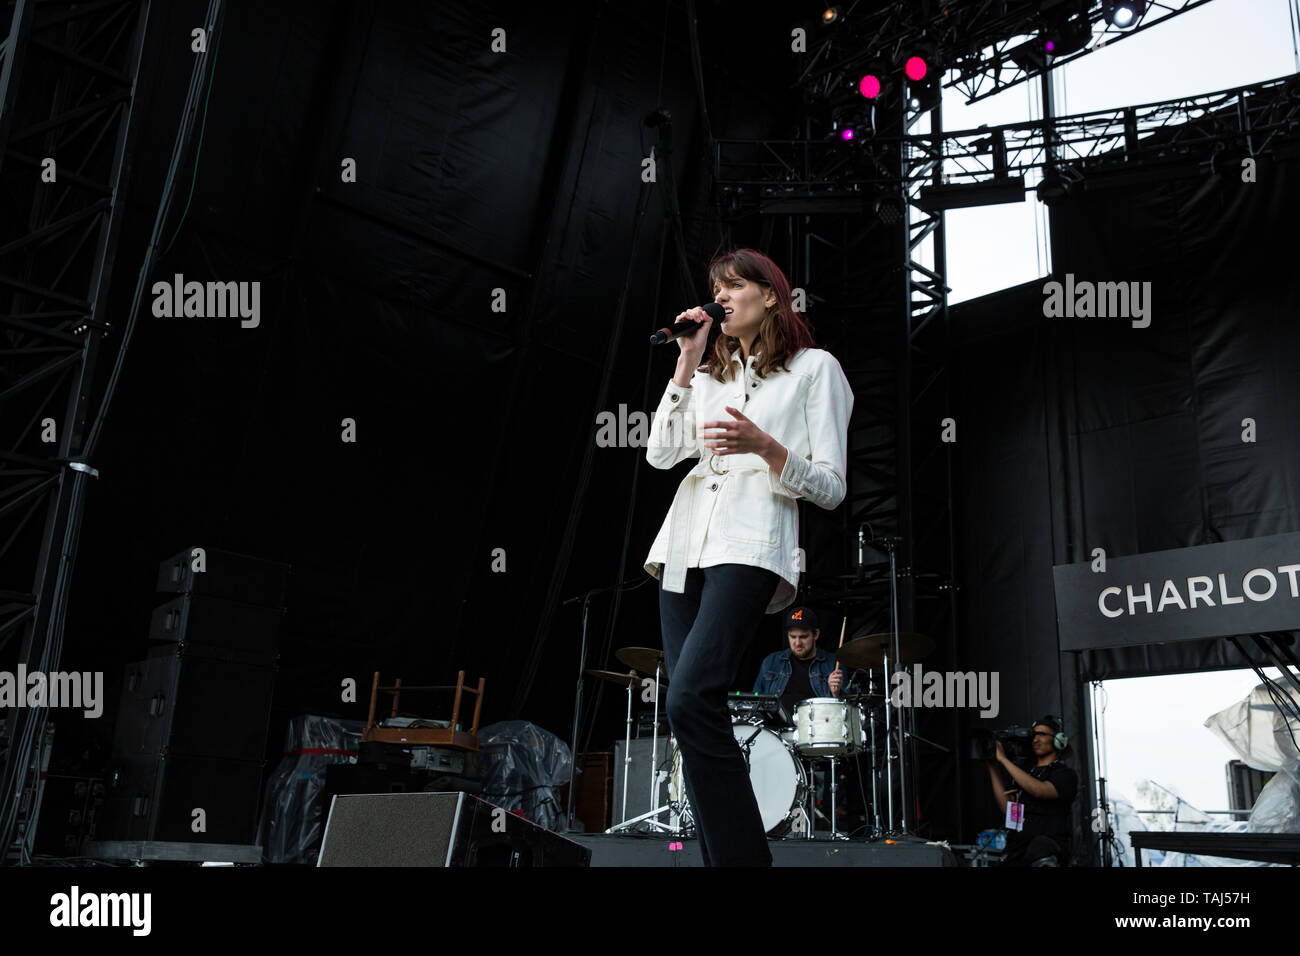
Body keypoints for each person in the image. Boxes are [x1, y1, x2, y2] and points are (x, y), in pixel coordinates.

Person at [643, 247, 854, 866]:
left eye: (734, 286)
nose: (722, 298)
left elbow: (832, 486)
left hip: (751, 542)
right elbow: (660, 454)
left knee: (689, 698)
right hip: (683, 546)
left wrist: (767, 447)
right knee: (692, 715)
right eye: (716, 289)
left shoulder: (814, 369)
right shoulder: (709, 374)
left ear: (770, 295)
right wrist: (686, 362)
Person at [985, 715, 1078, 866]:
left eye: (1042, 734)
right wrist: (992, 767)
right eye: (1034, 735)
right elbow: (1009, 810)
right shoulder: (1025, 773)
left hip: (1047, 851)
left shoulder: (1065, 775)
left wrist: (1003, 760)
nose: (1035, 739)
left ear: (1058, 740)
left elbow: (1039, 790)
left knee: (1040, 848)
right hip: (1019, 850)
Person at [752, 606, 843, 715]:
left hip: (818, 724)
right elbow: (755, 703)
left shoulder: (833, 663)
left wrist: (836, 694)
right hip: (777, 725)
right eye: (793, 637)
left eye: (803, 637)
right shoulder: (772, 661)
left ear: (816, 634)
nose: (797, 643)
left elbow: (846, 711)